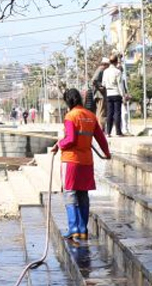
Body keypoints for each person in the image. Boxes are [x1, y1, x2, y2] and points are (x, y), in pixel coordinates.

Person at [52, 88, 111, 241]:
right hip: (86, 161)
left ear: (68, 101)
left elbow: (70, 139)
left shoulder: (71, 116)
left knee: (70, 193)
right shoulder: (90, 116)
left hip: (71, 161)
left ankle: (73, 228)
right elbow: (100, 138)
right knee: (83, 194)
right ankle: (83, 229)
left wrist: (59, 144)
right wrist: (107, 153)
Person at [101, 54, 128, 136]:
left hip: (108, 94)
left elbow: (103, 84)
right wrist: (123, 95)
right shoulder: (118, 72)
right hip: (116, 93)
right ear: (116, 62)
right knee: (117, 113)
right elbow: (120, 85)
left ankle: (108, 132)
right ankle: (118, 132)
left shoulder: (105, 71)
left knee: (109, 113)